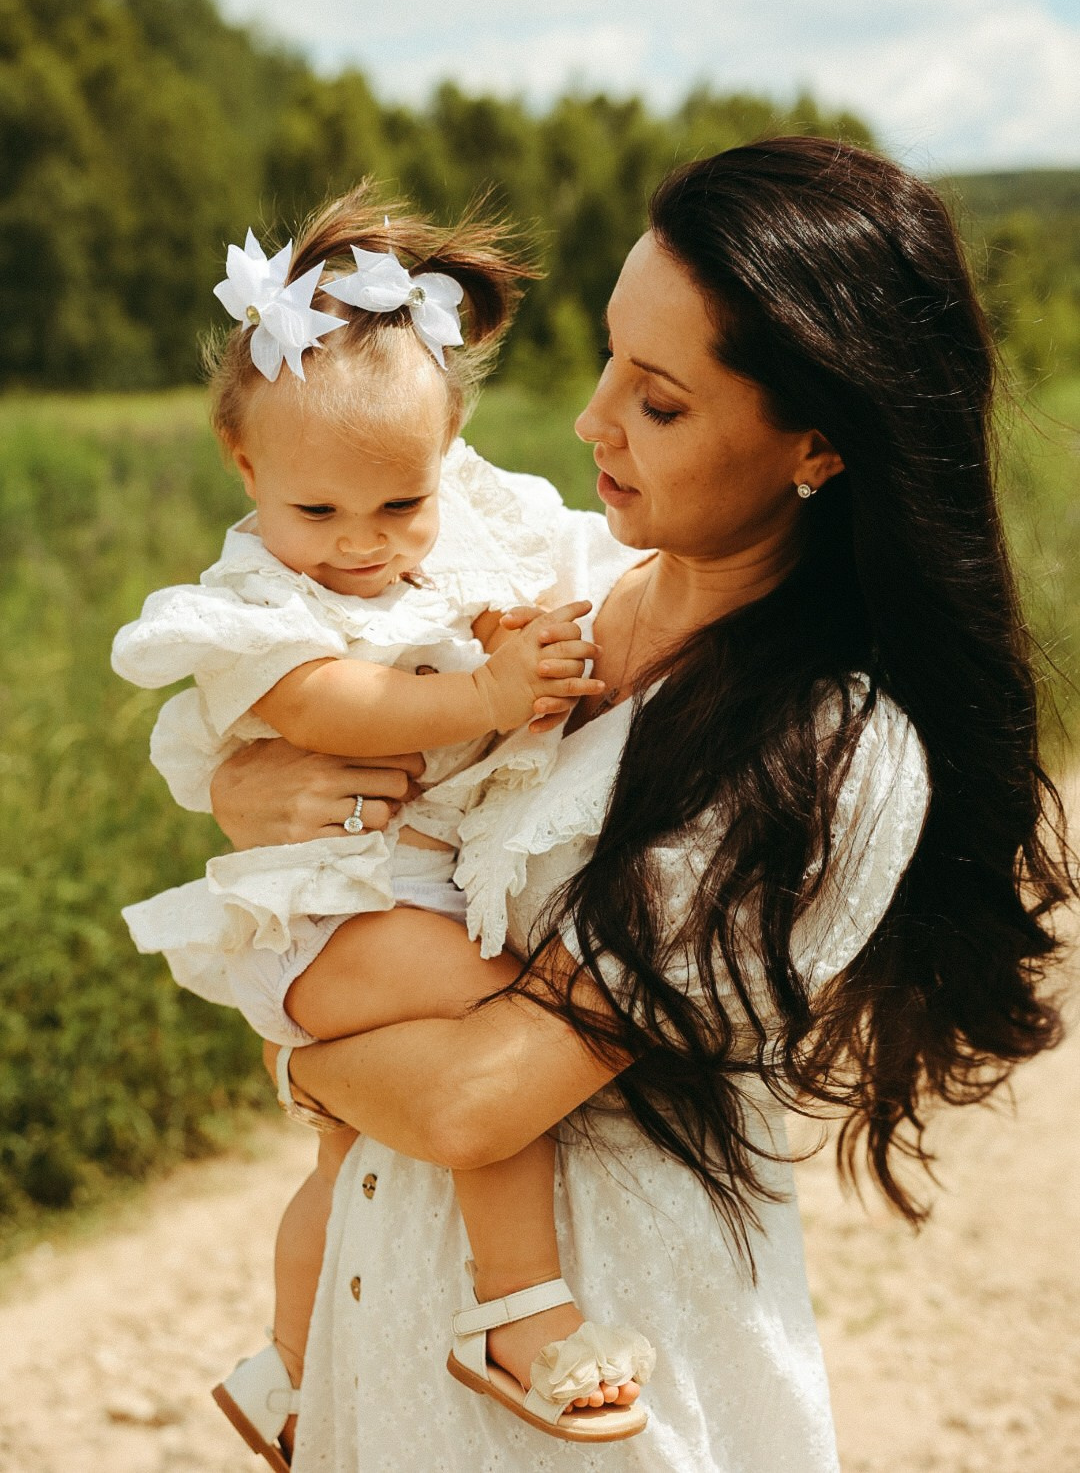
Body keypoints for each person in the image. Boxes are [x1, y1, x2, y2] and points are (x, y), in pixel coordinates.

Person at [209, 138, 1071, 1472]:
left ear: (819, 445)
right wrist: (249, 780)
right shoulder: (545, 565)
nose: (591, 418)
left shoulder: (824, 750)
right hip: (383, 1345)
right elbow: (329, 753)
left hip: (603, 1392)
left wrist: (290, 1043)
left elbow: (468, 1108)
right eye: (610, 356)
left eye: (659, 402)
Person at [111, 187, 658, 1464]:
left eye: (398, 508)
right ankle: (521, 1317)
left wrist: (511, 637)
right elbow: (333, 701)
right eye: (318, 514)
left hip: (387, 892)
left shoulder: (464, 534)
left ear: (450, 451)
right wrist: (481, 694)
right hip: (323, 915)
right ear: (246, 470)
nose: (360, 547)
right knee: (506, 1009)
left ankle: (290, 1373)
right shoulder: (248, 603)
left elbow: (521, 600)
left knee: (340, 1164)